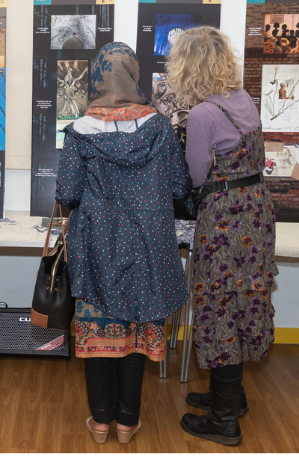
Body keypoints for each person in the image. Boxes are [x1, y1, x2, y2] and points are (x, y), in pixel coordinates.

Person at [55, 42, 190, 445]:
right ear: (134, 75)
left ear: (97, 77)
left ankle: (100, 423)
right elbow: (180, 185)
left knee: (98, 327)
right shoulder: (160, 127)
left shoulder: (79, 131)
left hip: (98, 243)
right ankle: (128, 423)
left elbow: (68, 191)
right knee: (138, 328)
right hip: (149, 245)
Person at [166, 26, 278, 446]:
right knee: (244, 298)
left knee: (218, 304)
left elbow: (197, 175)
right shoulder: (243, 99)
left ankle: (224, 418)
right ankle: (228, 394)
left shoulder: (202, 114)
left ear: (188, 66)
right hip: (257, 211)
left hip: (226, 217)